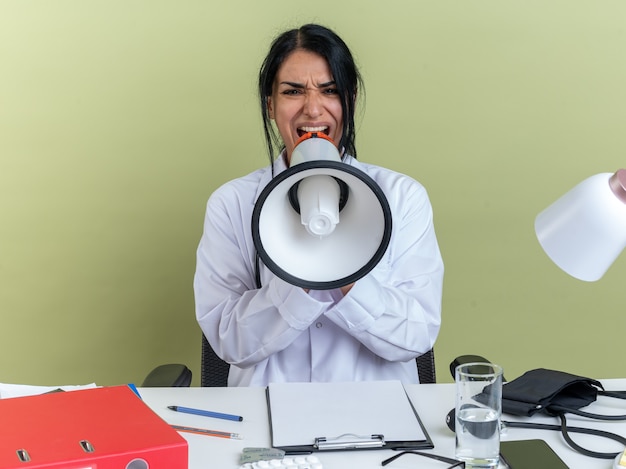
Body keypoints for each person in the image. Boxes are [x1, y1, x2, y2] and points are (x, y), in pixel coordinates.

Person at [193, 24, 444, 386]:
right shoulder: (231, 203)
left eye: (329, 91)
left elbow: (416, 336)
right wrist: (300, 272)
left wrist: (345, 267)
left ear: (350, 100)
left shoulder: (403, 196)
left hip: (380, 418)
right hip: (265, 414)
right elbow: (228, 341)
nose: (312, 110)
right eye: (293, 92)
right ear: (270, 106)